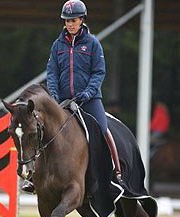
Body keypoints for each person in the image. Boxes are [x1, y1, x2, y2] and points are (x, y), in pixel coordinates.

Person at [22, 0, 121, 192]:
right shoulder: (57, 45)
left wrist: (88, 93)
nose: (70, 24)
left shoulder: (93, 43)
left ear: (82, 20)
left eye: (73, 20)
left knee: (102, 131)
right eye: (67, 21)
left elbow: (99, 72)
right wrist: (55, 96)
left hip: (89, 100)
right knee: (43, 132)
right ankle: (35, 178)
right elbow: (52, 73)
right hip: (62, 101)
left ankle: (114, 174)